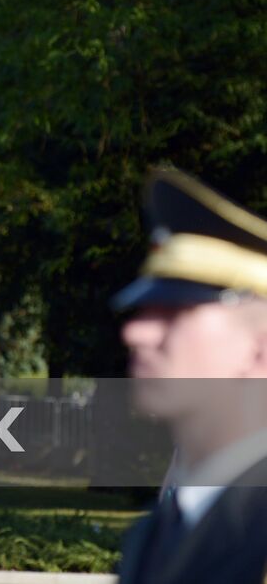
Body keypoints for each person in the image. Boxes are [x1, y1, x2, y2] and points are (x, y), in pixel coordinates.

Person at [116, 169, 267, 583]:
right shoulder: (156, 531)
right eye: (145, 311)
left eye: (175, 313)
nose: (136, 332)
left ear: (258, 349)